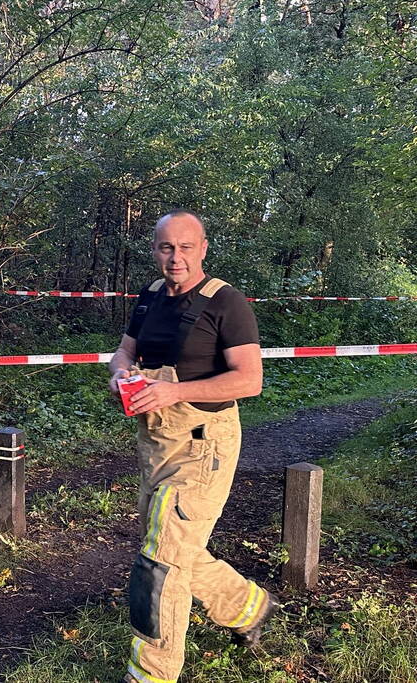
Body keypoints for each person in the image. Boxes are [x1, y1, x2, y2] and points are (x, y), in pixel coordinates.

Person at [108, 211, 278, 683]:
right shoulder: (150, 297)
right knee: (168, 544)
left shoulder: (227, 302)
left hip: (204, 445)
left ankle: (151, 673)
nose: (175, 257)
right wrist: (120, 372)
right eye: (166, 247)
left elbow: (250, 380)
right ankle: (246, 606)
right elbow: (125, 350)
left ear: (203, 248)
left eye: (185, 247)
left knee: (161, 561)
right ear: (155, 250)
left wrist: (175, 391)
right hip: (156, 441)